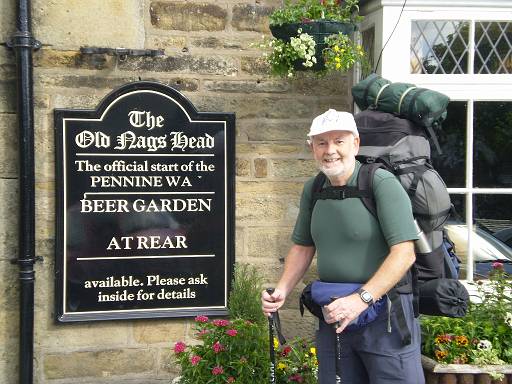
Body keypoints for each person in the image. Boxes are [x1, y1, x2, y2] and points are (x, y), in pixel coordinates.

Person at [261, 109, 425, 383]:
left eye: (339, 141)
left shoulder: (381, 183)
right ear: (311, 147)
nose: (330, 150)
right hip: (335, 313)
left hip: (385, 314)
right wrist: (281, 291)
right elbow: (303, 246)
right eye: (322, 142)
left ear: (355, 144)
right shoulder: (314, 189)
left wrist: (361, 299)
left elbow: (405, 253)